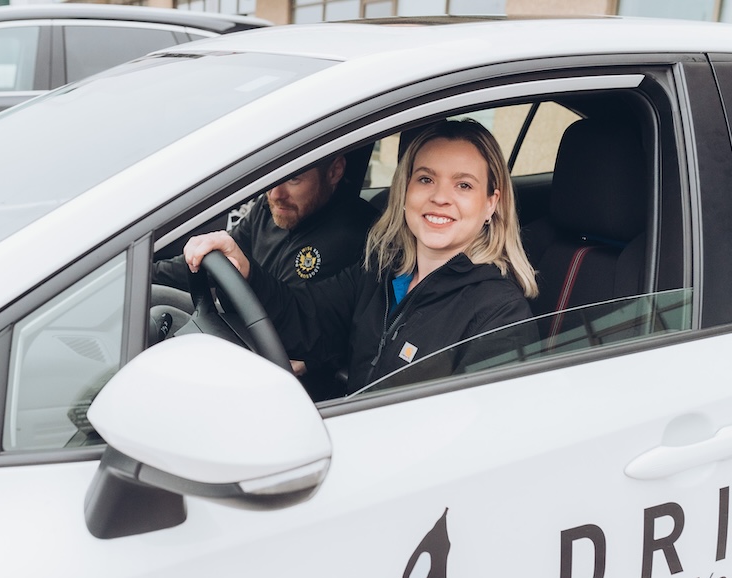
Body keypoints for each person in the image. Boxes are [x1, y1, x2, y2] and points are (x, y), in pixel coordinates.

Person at [183, 119, 540, 396]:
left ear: (491, 203)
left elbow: (485, 439)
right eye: (426, 179)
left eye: (463, 185)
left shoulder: (498, 314)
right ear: (404, 192)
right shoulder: (380, 273)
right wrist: (245, 270)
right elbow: (303, 319)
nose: (440, 198)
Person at [154, 153, 378, 398]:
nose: (275, 193)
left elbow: (332, 322)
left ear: (334, 171)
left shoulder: (359, 236)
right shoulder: (268, 209)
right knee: (154, 299)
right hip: (235, 329)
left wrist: (315, 362)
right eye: (272, 176)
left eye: (293, 178)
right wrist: (141, 274)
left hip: (281, 377)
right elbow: (220, 258)